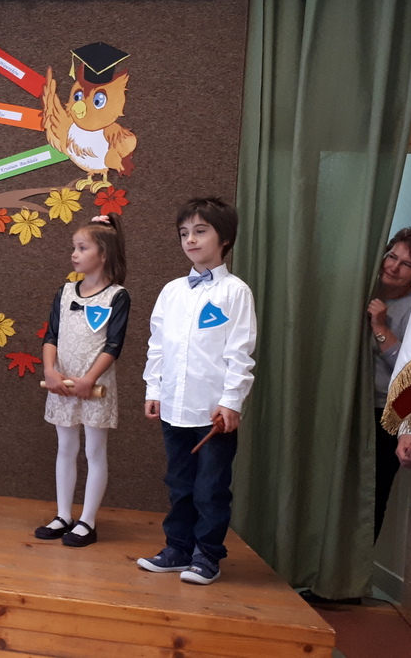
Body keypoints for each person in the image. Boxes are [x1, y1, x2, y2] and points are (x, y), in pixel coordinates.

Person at [138, 197, 256, 585]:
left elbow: (239, 353)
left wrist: (231, 401)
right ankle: (177, 548)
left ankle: (207, 555)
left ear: (225, 239)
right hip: (174, 406)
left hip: (212, 413)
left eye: (200, 231)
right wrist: (153, 389)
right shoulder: (171, 291)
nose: (190, 239)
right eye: (184, 233)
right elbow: (158, 345)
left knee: (211, 488)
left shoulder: (235, 292)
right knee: (179, 484)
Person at [36, 214, 130, 547]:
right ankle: (64, 515)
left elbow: (113, 344)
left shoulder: (117, 296)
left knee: (94, 450)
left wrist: (90, 378)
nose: (74, 254)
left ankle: (87, 521)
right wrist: (50, 370)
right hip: (62, 384)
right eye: (74, 248)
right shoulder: (64, 292)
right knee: (65, 447)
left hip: (94, 387)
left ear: (103, 254)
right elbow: (51, 335)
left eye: (82, 248)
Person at [368, 227, 411, 540]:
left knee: (372, 494)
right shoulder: (362, 290)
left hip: (385, 413)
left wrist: (381, 328)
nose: (393, 266)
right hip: (347, 404)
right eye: (392, 256)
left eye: (406, 264)